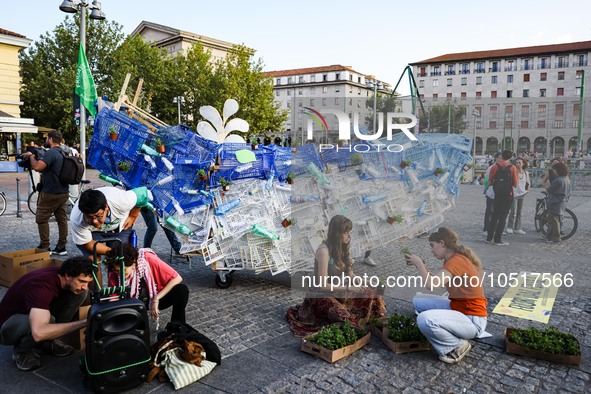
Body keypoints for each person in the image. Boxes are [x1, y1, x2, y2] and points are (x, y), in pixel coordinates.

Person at [286, 215, 386, 337]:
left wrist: (367, 281)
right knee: (346, 321)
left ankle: (375, 321)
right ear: (336, 233)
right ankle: (352, 321)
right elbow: (323, 286)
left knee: (371, 293)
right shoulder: (324, 251)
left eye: (349, 232)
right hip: (322, 295)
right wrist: (348, 288)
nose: (348, 236)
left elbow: (351, 275)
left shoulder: (342, 247)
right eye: (345, 232)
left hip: (339, 291)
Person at [403, 228, 487, 364]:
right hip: (459, 307)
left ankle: (456, 346)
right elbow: (437, 280)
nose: (431, 250)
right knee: (418, 300)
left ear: (442, 243)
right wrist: (423, 267)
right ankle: (446, 327)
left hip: (472, 319)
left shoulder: (456, 261)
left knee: (424, 320)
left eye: (432, 245)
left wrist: (419, 264)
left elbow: (431, 285)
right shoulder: (454, 259)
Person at [0, 256, 94, 371]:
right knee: (48, 322)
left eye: (88, 282)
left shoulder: (61, 275)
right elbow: (38, 332)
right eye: (82, 281)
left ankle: (48, 341)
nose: (85, 286)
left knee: (80, 293)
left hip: (29, 313)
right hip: (6, 327)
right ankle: (22, 351)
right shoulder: (42, 287)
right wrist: (84, 322)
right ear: (68, 276)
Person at [105, 243, 189, 323]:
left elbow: (177, 278)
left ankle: (177, 326)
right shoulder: (113, 274)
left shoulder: (148, 259)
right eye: (116, 271)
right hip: (133, 304)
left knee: (182, 290)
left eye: (123, 271)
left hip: (156, 296)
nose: (120, 274)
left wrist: (156, 299)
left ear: (133, 264)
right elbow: (114, 299)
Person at [22, 130, 69, 255]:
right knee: (62, 219)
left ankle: (45, 246)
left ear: (51, 139)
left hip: (50, 192)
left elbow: (37, 167)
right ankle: (62, 247)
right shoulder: (65, 151)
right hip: (64, 191)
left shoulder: (51, 153)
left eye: (47, 139)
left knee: (41, 219)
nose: (46, 141)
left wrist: (31, 156)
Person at [70, 187, 149, 258]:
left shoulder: (122, 201)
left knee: (122, 261)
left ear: (106, 207)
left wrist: (133, 216)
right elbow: (89, 244)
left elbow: (142, 193)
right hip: (92, 232)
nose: (95, 221)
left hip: (119, 229)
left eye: (98, 216)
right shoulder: (77, 218)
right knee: (93, 261)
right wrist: (113, 252)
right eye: (89, 217)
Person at [485, 150, 518, 246]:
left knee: (495, 215)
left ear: (502, 156)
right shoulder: (512, 168)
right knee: (503, 217)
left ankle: (489, 237)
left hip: (497, 194)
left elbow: (490, 182)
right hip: (508, 195)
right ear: (510, 157)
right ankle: (497, 239)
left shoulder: (495, 167)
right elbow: (515, 184)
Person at [544, 162, 571, 243]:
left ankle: (556, 238)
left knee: (554, 221)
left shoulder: (558, 180)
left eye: (555, 170)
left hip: (555, 202)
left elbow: (550, 190)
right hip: (562, 202)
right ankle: (550, 236)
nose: (554, 171)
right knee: (557, 220)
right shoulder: (566, 179)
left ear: (558, 170)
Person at [506, 157, 530, 234]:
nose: (518, 164)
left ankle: (517, 228)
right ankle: (509, 227)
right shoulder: (513, 172)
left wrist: (527, 190)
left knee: (520, 212)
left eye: (519, 162)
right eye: (516, 163)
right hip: (514, 194)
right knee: (513, 212)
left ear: (523, 163)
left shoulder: (526, 173)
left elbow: (527, 182)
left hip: (522, 194)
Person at [482, 152, 502, 236]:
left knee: (499, 212)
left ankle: (496, 228)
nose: (502, 160)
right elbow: (486, 181)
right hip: (491, 193)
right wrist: (485, 190)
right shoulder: (491, 168)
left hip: (501, 194)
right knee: (490, 211)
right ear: (496, 158)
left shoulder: (506, 167)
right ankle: (486, 228)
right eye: (500, 158)